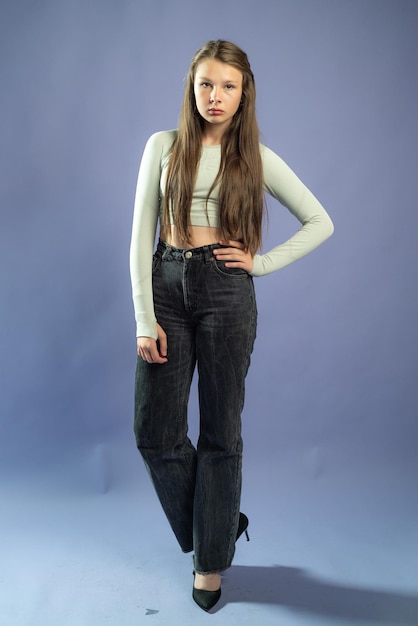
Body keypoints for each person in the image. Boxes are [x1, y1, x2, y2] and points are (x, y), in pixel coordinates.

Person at [129, 39, 334, 612]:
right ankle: (218, 527)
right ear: (191, 89)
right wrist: (145, 316)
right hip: (166, 286)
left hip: (225, 292)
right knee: (155, 433)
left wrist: (261, 263)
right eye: (205, 85)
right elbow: (140, 234)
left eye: (228, 87)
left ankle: (210, 564)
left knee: (221, 433)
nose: (214, 97)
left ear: (244, 95)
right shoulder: (162, 146)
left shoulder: (256, 157)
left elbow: (321, 221)